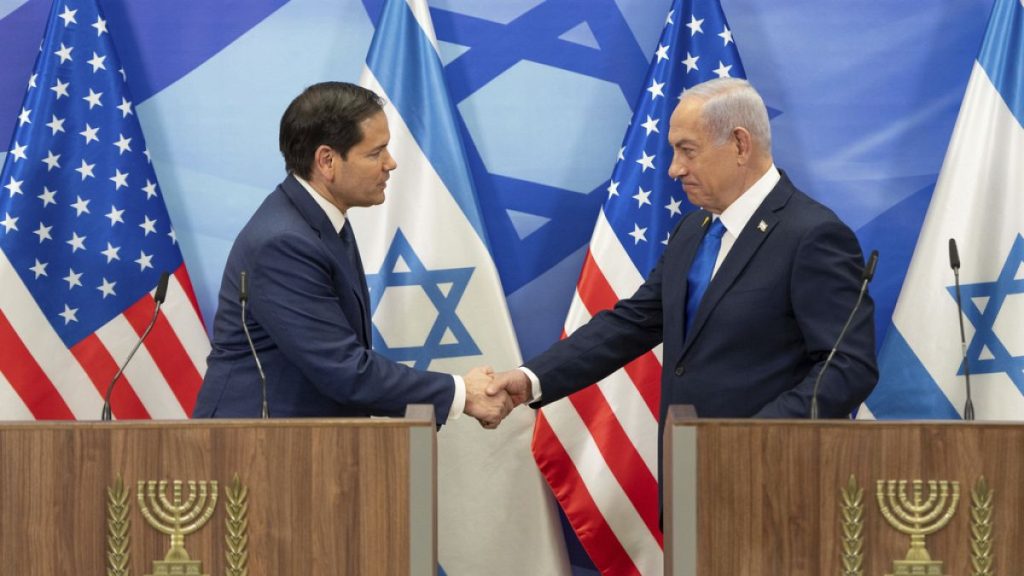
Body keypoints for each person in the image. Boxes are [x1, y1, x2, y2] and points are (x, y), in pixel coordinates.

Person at [490, 78, 878, 434]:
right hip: (684, 468)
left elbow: (847, 366)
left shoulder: (811, 234)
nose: (674, 169)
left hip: (765, 478)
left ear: (741, 145)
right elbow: (632, 324)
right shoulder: (693, 231)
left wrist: (752, 439)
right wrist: (531, 379)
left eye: (687, 151)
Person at [193, 82, 508, 427]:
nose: (391, 163)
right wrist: (462, 392)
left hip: (305, 444)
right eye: (375, 153)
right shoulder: (284, 242)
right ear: (327, 161)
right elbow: (344, 370)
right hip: (253, 449)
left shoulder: (321, 220)